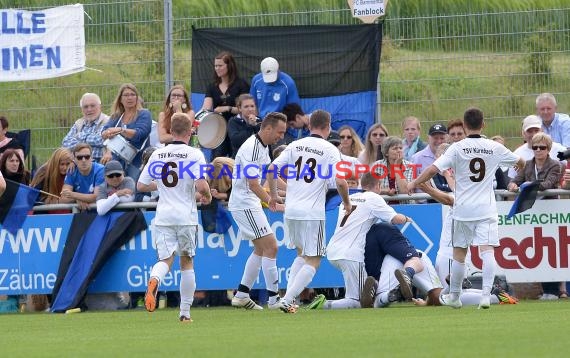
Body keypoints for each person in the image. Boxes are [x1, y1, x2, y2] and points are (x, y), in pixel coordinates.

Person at [407, 107, 525, 309]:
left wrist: (414, 183)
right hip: (486, 208)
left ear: (464, 125)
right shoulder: (493, 146)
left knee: (459, 254)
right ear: (483, 124)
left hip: (462, 209)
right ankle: (486, 296)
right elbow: (520, 161)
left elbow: (433, 168)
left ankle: (454, 297)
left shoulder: (457, 147)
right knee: (487, 251)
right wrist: (519, 166)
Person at [267, 109, 352, 313]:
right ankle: (287, 299)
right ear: (328, 126)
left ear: (309, 125)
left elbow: (271, 169)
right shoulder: (329, 149)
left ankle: (287, 297)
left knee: (301, 254)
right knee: (314, 260)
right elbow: (340, 181)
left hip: (292, 210)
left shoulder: (295, 145)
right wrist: (347, 203)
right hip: (312, 212)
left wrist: (273, 195)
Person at [137, 112, 212, 322]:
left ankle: (154, 278)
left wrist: (160, 184)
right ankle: (185, 313)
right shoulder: (194, 154)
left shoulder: (158, 154)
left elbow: (141, 185)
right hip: (185, 216)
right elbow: (201, 185)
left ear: (170, 131)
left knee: (165, 259)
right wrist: (207, 196)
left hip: (163, 216)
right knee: (186, 261)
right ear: (190, 132)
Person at [305, 172, 410, 310]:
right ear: (378, 186)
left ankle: (389, 294)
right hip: (351, 254)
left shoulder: (350, 197)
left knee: (362, 296)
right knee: (360, 301)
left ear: (362, 184)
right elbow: (395, 219)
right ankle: (323, 304)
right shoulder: (374, 198)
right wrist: (407, 218)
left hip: (334, 250)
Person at [228, 112, 287, 310]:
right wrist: (271, 200)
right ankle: (274, 300)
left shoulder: (262, 145)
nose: (281, 136)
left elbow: (269, 172)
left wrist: (292, 189)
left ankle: (242, 295)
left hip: (248, 202)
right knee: (272, 247)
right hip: (245, 203)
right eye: (279, 132)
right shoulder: (252, 148)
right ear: (268, 129)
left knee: (261, 249)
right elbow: (254, 184)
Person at [201, 51, 250, 158]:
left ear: (229, 66)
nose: (217, 68)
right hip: (218, 130)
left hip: (237, 128)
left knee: (236, 160)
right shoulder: (212, 86)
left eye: (220, 65)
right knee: (216, 161)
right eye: (215, 66)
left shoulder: (241, 84)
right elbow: (206, 108)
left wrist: (227, 108)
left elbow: (246, 109)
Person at [101, 83, 152, 178]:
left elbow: (140, 134)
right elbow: (104, 132)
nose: (130, 98)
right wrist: (107, 133)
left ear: (137, 98)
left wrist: (120, 130)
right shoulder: (116, 116)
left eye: (133, 94)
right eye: (126, 95)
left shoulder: (144, 114)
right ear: (120, 99)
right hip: (117, 160)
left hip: (137, 162)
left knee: (135, 190)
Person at [61, 93, 110, 162]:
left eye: (92, 106)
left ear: (100, 106)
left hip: (100, 164)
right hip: (78, 165)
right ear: (82, 109)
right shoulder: (79, 123)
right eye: (86, 107)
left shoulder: (108, 121)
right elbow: (66, 143)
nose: (89, 109)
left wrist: (81, 137)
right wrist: (92, 143)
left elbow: (101, 140)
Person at [60, 143, 105, 211]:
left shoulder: (100, 170)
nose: (83, 160)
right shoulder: (71, 170)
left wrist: (74, 195)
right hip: (82, 214)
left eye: (87, 157)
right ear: (74, 159)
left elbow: (97, 197)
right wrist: (77, 199)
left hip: (100, 213)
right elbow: (63, 198)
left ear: (92, 157)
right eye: (79, 157)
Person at [371, 136, 415, 201]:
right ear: (386, 153)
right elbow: (370, 189)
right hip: (383, 206)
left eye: (400, 148)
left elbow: (405, 191)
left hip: (405, 206)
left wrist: (396, 167)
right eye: (395, 148)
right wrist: (385, 192)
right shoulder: (377, 166)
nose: (399, 151)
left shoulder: (410, 166)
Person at [227, 94, 261, 158]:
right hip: (240, 159)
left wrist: (255, 126)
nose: (250, 109)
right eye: (246, 106)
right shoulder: (233, 122)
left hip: (258, 159)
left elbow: (263, 141)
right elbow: (236, 141)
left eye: (252, 106)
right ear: (240, 108)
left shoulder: (259, 121)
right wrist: (250, 126)